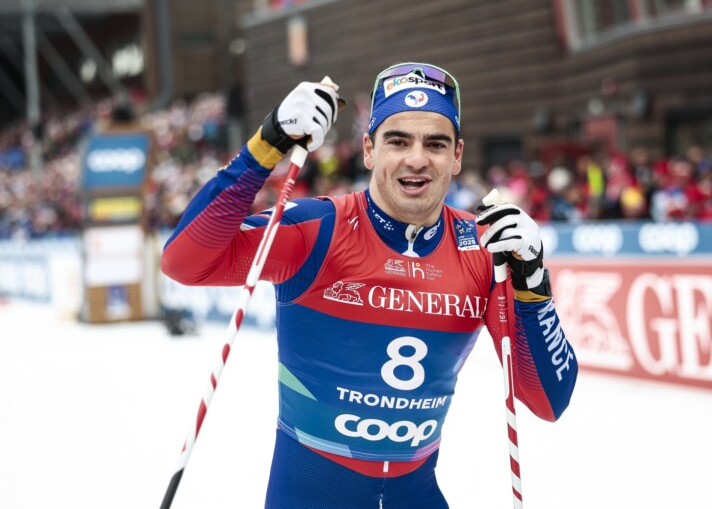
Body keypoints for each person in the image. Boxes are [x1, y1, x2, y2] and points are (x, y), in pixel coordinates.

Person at [161, 62, 577, 508]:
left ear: (457, 156)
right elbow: (184, 263)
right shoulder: (318, 229)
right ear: (368, 150)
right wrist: (268, 142)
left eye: (435, 144)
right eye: (397, 141)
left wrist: (534, 282)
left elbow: (547, 400)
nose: (416, 159)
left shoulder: (481, 249)